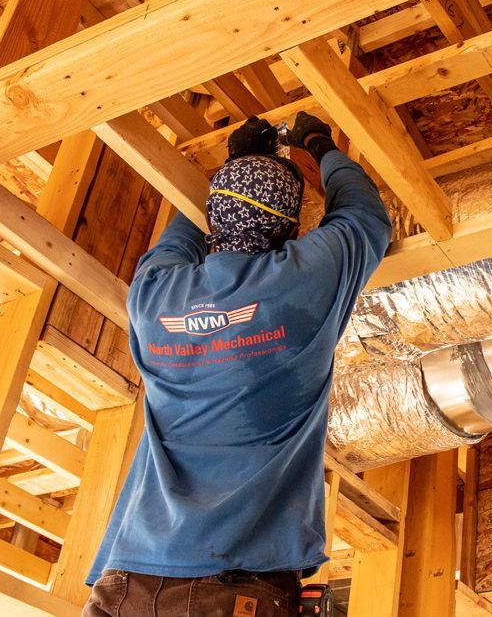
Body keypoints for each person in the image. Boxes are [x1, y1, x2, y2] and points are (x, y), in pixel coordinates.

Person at [83, 112, 392, 616]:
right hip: (189, 587)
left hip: (140, 568)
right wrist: (320, 147)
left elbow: (180, 239)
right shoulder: (296, 287)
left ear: (215, 217)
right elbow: (363, 218)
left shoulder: (153, 296)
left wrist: (234, 164)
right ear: (290, 228)